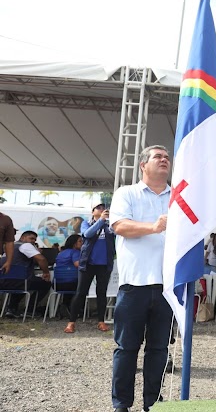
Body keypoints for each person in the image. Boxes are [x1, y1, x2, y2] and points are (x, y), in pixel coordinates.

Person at [109, 145, 173, 412]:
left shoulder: (179, 197)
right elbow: (120, 226)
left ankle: (153, 403)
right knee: (127, 348)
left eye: (167, 157)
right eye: (158, 157)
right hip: (134, 284)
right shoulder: (127, 193)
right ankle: (121, 404)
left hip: (168, 285)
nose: (164, 160)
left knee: (159, 350)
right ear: (142, 165)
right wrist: (154, 227)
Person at [64, 203, 116, 334]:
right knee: (81, 292)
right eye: (99, 208)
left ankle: (101, 321)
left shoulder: (110, 225)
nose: (103, 210)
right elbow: (87, 234)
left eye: (104, 208)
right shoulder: (86, 223)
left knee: (102, 292)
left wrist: (107, 222)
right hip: (88, 263)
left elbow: (117, 234)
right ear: (93, 212)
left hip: (104, 264)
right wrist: (101, 221)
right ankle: (71, 322)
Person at [0, 230, 51, 318]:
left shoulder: (10, 247)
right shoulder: (25, 245)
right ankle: (30, 310)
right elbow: (41, 259)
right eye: (31, 238)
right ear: (22, 238)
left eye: (35, 240)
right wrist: (46, 272)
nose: (33, 241)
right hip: (19, 282)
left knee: (22, 281)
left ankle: (11, 309)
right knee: (45, 284)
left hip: (3, 282)